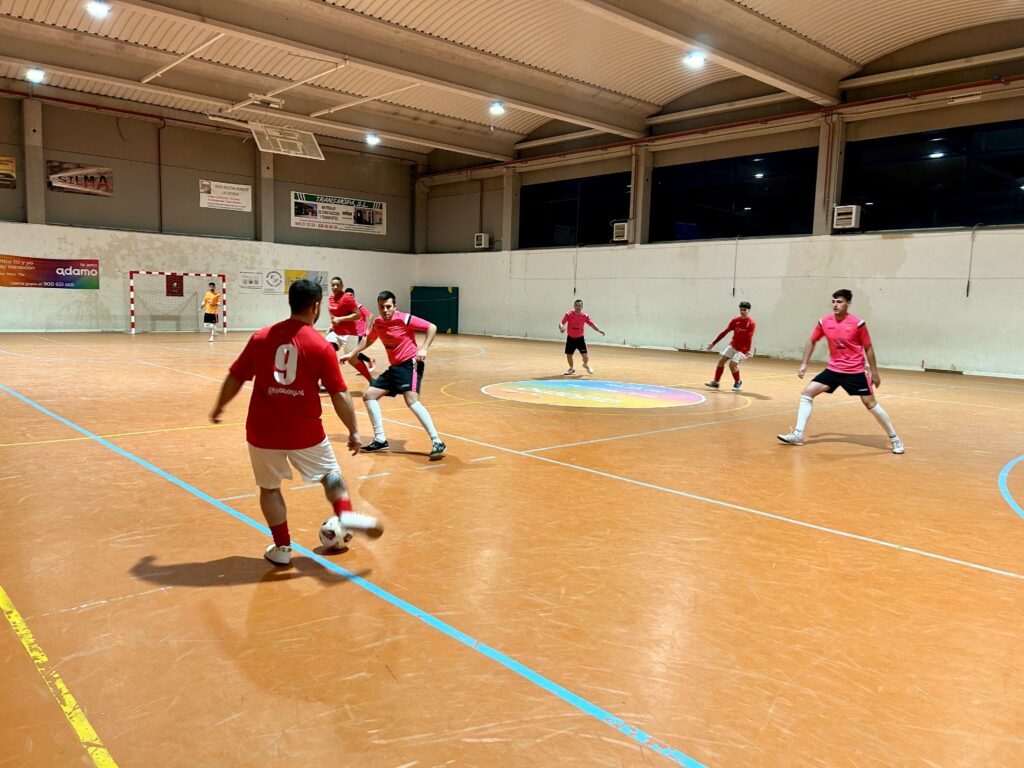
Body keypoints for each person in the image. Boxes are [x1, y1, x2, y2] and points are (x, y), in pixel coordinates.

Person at [210, 279, 383, 567]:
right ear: (316, 307)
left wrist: (219, 406)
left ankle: (282, 548)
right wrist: (353, 431)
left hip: (262, 431)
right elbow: (340, 393)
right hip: (305, 431)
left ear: (291, 302)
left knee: (269, 488)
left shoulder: (261, 338)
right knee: (331, 476)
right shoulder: (320, 346)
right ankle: (344, 516)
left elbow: (236, 376)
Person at [777, 289, 904, 454]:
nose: (836, 305)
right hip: (833, 370)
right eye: (834, 301)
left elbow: (868, 348)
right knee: (807, 393)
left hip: (855, 371)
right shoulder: (824, 322)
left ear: (848, 303)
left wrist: (874, 373)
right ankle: (798, 435)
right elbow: (812, 341)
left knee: (870, 404)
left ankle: (895, 439)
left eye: (840, 302)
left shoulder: (858, 324)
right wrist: (804, 363)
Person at [341, 290, 446, 460]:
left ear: (394, 306)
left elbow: (431, 327)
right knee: (369, 395)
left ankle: (437, 440)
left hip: (410, 363)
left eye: (388, 306)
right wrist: (351, 353)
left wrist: (424, 348)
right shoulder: (378, 323)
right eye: (382, 307)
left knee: (411, 401)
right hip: (395, 367)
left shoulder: (403, 318)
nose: (385, 310)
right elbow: (369, 341)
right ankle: (380, 439)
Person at [326, 277, 373, 384]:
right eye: (333, 285)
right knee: (326, 352)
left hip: (350, 335)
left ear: (342, 286)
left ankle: (371, 380)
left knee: (353, 360)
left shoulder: (347, 298)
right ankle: (324, 382)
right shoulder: (331, 299)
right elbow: (335, 315)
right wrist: (331, 325)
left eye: (338, 285)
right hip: (336, 333)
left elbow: (358, 315)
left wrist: (341, 319)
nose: (335, 287)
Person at [705, 301, 756, 392]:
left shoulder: (751, 323)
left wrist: (748, 350)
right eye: (741, 309)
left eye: (744, 310)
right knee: (721, 361)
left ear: (748, 311)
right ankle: (716, 382)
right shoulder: (735, 320)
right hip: (734, 345)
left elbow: (749, 338)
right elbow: (725, 332)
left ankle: (738, 382)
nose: (742, 311)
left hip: (743, 348)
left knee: (732, 365)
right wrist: (713, 343)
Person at [559, 299, 605, 375]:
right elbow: (561, 323)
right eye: (576, 305)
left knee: (585, 356)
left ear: (582, 306)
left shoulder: (584, 316)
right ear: (574, 306)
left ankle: (585, 364)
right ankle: (571, 369)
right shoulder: (569, 314)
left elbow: (592, 324)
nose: (578, 307)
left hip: (580, 339)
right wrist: (561, 328)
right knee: (569, 355)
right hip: (570, 338)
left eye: (579, 305)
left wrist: (599, 330)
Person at [344, 286, 375, 374]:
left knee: (353, 352)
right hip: (353, 334)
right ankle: (369, 361)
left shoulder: (358, 306)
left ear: (354, 296)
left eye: (351, 295)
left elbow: (371, 316)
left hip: (360, 333)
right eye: (347, 295)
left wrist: (368, 329)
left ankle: (367, 364)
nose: (349, 297)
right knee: (353, 352)